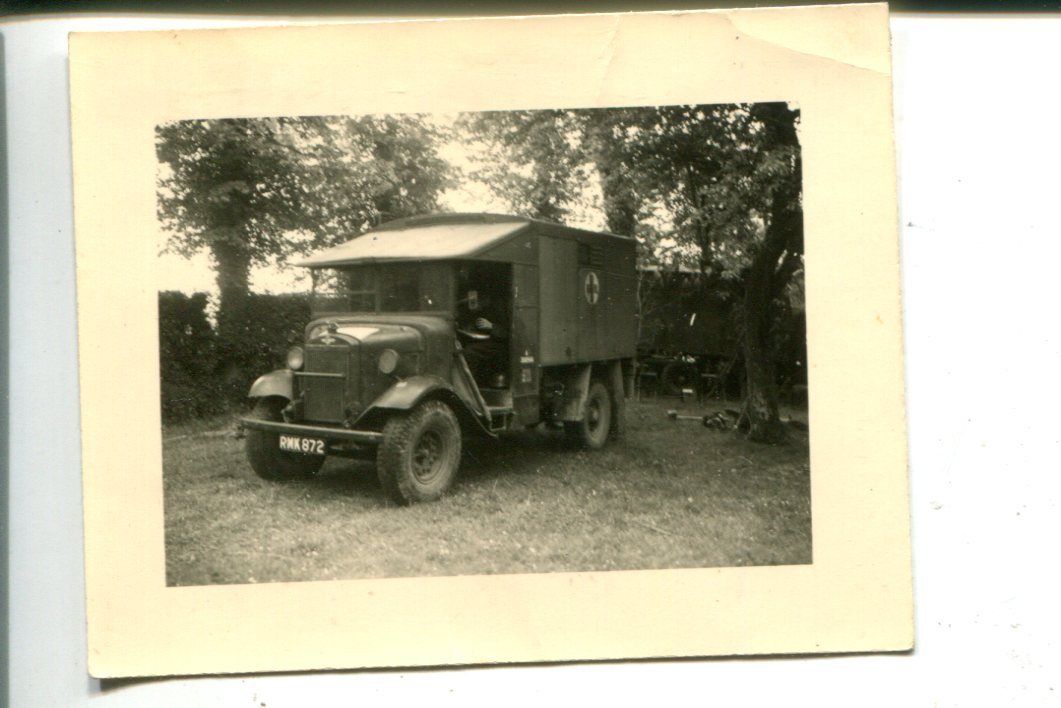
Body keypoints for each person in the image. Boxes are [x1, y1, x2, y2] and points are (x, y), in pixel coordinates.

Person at [458, 287, 509, 387]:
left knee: (469, 352)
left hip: (499, 344)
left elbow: (508, 332)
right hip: (483, 340)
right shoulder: (482, 308)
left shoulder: (500, 308)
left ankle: (469, 386)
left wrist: (491, 326)